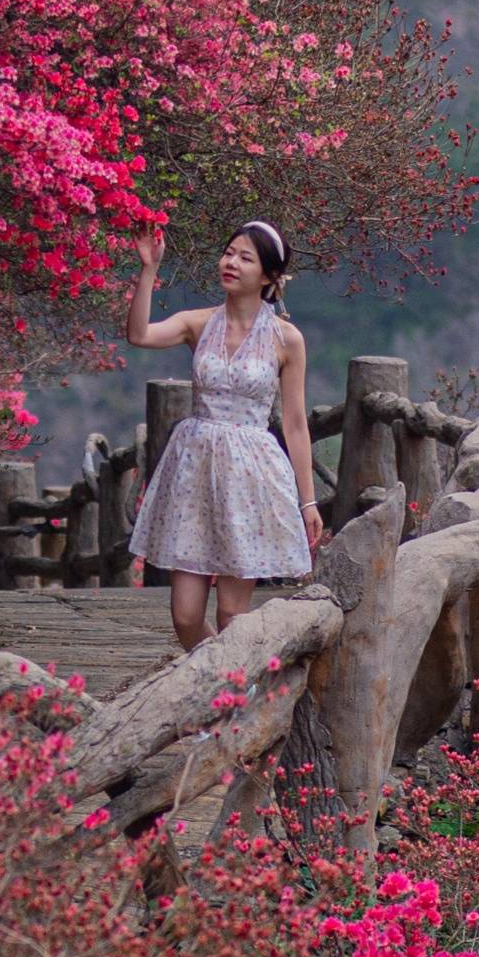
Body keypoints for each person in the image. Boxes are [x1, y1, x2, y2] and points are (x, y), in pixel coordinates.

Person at [121, 217, 323, 651]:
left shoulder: (287, 339)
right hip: (194, 468)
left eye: (245, 258)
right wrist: (149, 269)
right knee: (186, 614)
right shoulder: (198, 323)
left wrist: (308, 501)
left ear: (269, 276)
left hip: (251, 475)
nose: (230, 263)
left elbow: (294, 422)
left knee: (232, 614)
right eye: (229, 253)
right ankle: (225, 689)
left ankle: (233, 705)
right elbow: (139, 335)